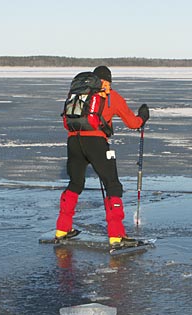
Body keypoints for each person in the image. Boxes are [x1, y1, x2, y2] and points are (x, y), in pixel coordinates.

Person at [55, 65, 150, 249]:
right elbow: (132, 123)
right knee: (112, 185)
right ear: (108, 81)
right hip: (97, 143)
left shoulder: (79, 95)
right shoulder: (110, 96)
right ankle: (116, 236)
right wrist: (143, 117)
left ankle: (62, 229)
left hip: (74, 142)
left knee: (75, 184)